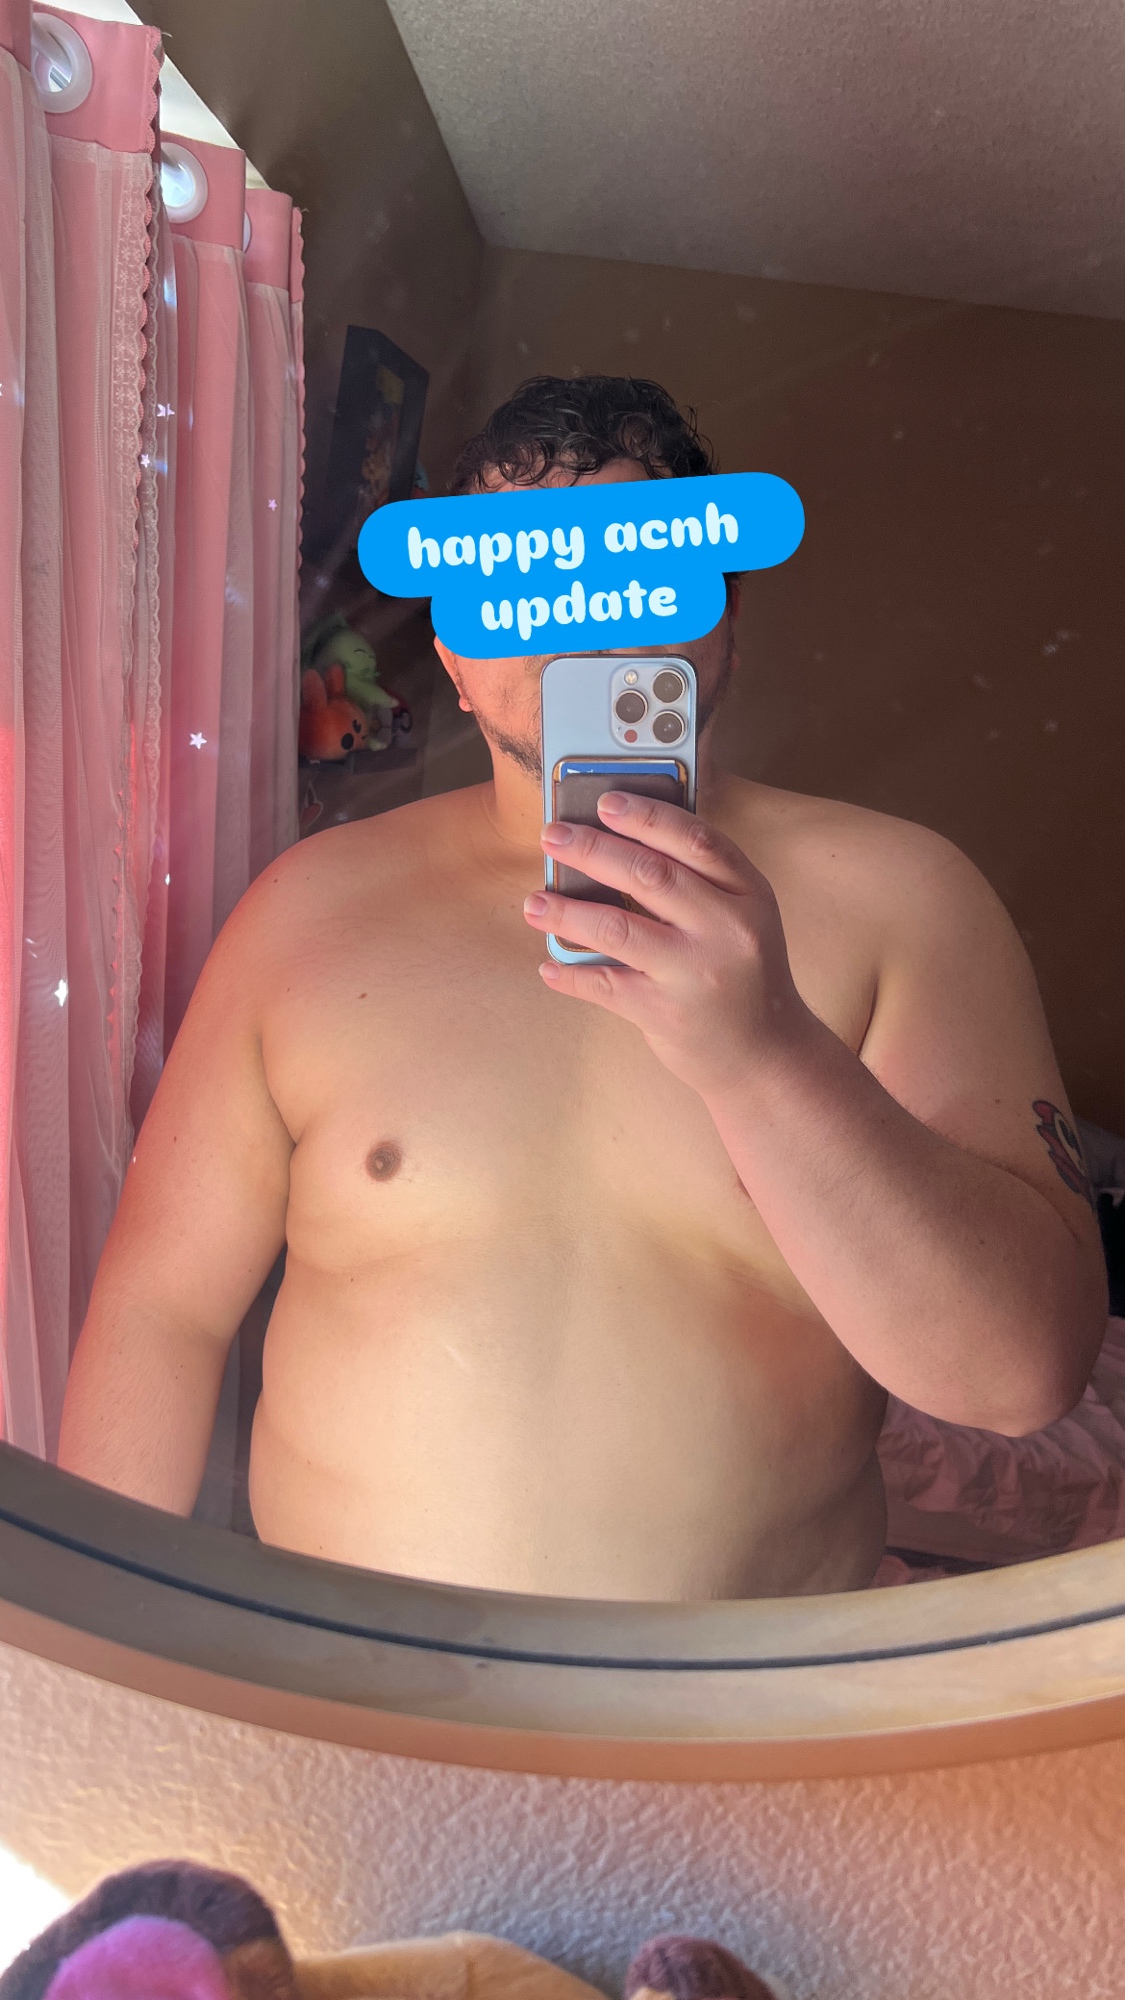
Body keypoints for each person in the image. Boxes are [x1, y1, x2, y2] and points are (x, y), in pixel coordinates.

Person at [57, 376, 1107, 1599]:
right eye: (522, 576)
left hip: (734, 1692)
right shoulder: (305, 912)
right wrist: (99, 1644)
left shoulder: (907, 899)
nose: (583, 617)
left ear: (720, 613)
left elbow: (1019, 1377)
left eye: (636, 564)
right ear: (453, 653)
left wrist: (766, 1054)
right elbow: (163, 1311)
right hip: (348, 1680)